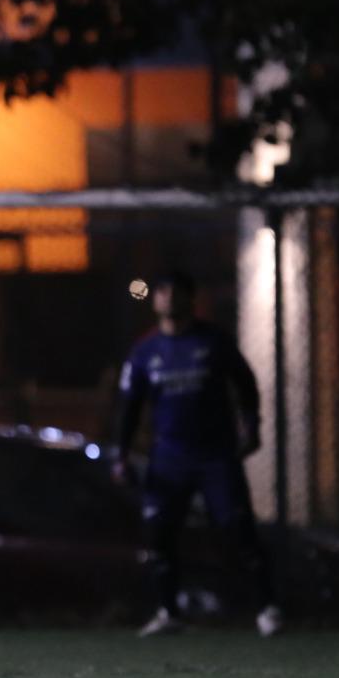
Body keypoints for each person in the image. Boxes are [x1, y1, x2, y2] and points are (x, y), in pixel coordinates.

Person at [110, 270, 282, 637]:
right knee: (160, 532)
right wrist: (120, 454)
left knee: (237, 528)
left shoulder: (213, 342)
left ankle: (268, 609)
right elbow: (129, 406)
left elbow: (246, 384)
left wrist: (251, 426)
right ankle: (168, 611)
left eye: (176, 290)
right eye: (162, 290)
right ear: (155, 300)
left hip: (214, 456)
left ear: (191, 297)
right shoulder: (146, 351)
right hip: (169, 457)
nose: (169, 296)